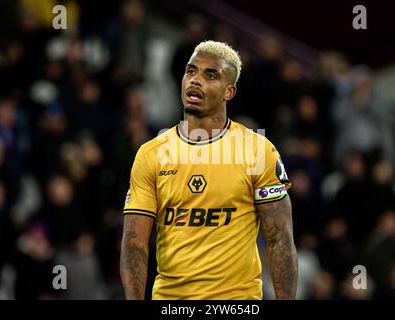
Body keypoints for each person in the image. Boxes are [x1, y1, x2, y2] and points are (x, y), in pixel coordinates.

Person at [120, 40, 297, 300]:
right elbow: (134, 242)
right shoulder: (152, 154)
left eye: (209, 75)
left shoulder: (258, 151)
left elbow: (279, 238)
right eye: (191, 71)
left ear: (229, 92)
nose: (195, 80)